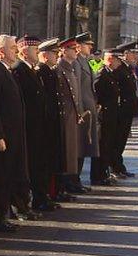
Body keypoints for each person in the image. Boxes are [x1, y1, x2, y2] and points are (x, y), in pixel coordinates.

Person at [0, 34, 27, 233]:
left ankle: (2, 215)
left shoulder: (5, 70)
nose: (16, 52)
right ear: (1, 51)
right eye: (12, 48)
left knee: (7, 176)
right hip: (3, 137)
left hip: (12, 135)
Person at [12, 35, 57, 213]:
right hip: (29, 128)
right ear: (24, 51)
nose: (38, 53)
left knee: (39, 165)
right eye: (35, 50)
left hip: (39, 127)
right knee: (28, 167)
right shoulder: (18, 70)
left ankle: (40, 198)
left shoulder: (32, 70)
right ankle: (25, 203)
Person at [36, 38, 74, 201]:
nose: (57, 55)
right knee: (48, 160)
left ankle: (54, 191)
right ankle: (48, 193)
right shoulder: (41, 71)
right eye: (54, 53)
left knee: (55, 158)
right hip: (47, 123)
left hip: (54, 121)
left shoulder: (50, 71)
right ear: (45, 55)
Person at [56, 37, 86, 189]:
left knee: (72, 151)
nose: (76, 51)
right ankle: (65, 183)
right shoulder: (60, 68)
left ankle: (70, 181)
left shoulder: (72, 67)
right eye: (73, 49)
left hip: (72, 114)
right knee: (66, 152)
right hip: (65, 115)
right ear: (64, 51)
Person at [74, 32, 99, 190]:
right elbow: (76, 89)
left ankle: (77, 180)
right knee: (79, 148)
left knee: (83, 148)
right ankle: (74, 180)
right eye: (87, 44)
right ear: (79, 46)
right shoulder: (77, 63)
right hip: (82, 112)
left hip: (88, 110)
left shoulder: (85, 61)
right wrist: (80, 111)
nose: (91, 47)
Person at [112, 41, 138, 178]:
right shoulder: (120, 69)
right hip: (121, 110)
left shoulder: (127, 68)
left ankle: (118, 165)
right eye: (133, 53)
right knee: (118, 140)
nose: (135, 56)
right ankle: (116, 166)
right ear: (126, 54)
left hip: (127, 111)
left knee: (122, 140)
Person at [93, 49, 122, 184]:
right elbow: (96, 91)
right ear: (110, 60)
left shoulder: (111, 74)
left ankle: (104, 173)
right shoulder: (102, 74)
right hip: (104, 115)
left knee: (107, 145)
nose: (119, 64)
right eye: (117, 60)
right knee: (102, 146)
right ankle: (98, 175)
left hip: (111, 115)